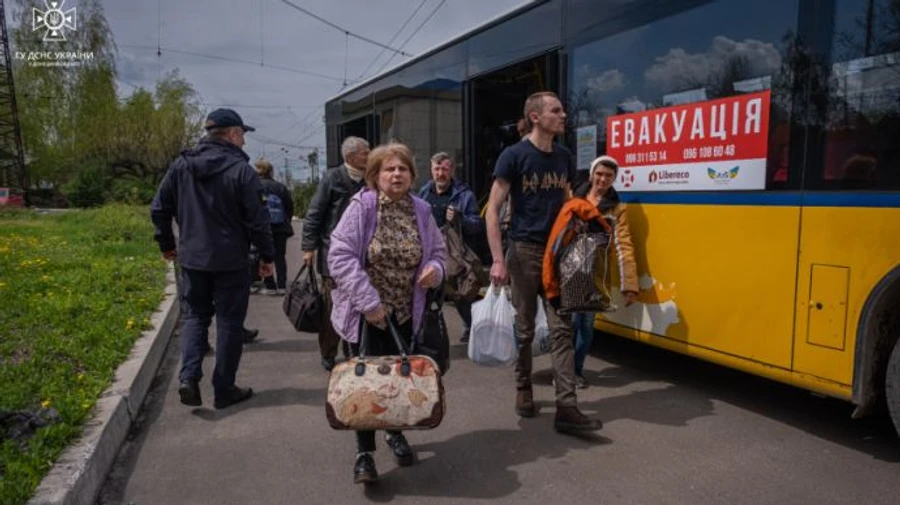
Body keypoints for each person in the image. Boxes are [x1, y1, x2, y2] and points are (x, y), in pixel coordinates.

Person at [328, 142, 446, 484]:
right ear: (375, 176)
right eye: (389, 169)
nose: (396, 174)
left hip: (406, 313)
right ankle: (364, 454)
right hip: (364, 314)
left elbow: (439, 252)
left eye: (403, 169)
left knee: (396, 380)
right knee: (365, 383)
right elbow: (340, 256)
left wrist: (434, 270)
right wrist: (369, 303)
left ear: (411, 175)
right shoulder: (362, 207)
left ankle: (394, 432)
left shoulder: (422, 210)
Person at [484, 91, 601, 434]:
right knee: (524, 330)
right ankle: (523, 387)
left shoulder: (563, 156)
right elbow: (492, 209)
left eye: (562, 109)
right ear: (535, 117)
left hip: (558, 254)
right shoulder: (514, 155)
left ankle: (566, 406)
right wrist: (496, 260)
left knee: (563, 329)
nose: (564, 115)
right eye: (556, 110)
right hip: (522, 253)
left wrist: (578, 232)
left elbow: (566, 200)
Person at [151, 108, 275, 410]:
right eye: (242, 135)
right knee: (230, 323)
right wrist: (267, 256)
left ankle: (188, 378)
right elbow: (257, 220)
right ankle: (224, 389)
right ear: (232, 134)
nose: (244, 142)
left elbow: (159, 208)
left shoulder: (181, 166)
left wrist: (167, 243)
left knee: (195, 316)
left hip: (193, 259)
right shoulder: (242, 171)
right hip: (232, 261)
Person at [568, 155, 638, 388]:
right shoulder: (574, 199)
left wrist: (630, 285)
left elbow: (624, 245)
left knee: (585, 325)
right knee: (568, 323)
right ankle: (564, 368)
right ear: (591, 174)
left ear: (614, 179)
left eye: (609, 176)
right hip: (569, 272)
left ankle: (575, 370)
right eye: (599, 174)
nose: (603, 179)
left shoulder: (617, 208)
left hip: (596, 276)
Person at [302, 136, 369, 371]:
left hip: (362, 257)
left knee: (360, 304)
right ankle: (328, 352)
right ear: (351, 156)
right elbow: (315, 213)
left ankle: (354, 350)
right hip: (334, 257)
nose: (369, 155)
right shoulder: (333, 178)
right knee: (333, 307)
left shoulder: (369, 180)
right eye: (365, 152)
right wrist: (308, 247)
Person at [417, 152, 482, 343]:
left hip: (455, 254)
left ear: (451, 170)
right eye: (437, 169)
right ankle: (428, 332)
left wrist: (459, 218)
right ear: (431, 170)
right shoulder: (424, 192)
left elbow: (477, 225)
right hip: (429, 252)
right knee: (428, 294)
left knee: (460, 295)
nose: (441, 173)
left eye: (445, 168)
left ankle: (471, 327)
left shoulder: (464, 195)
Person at [254, 158, 294, 296]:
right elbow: (289, 206)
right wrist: (285, 221)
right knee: (280, 256)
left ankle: (270, 284)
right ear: (270, 171)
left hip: (262, 227)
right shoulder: (280, 187)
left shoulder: (254, 186)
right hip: (280, 226)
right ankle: (282, 285)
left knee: (264, 255)